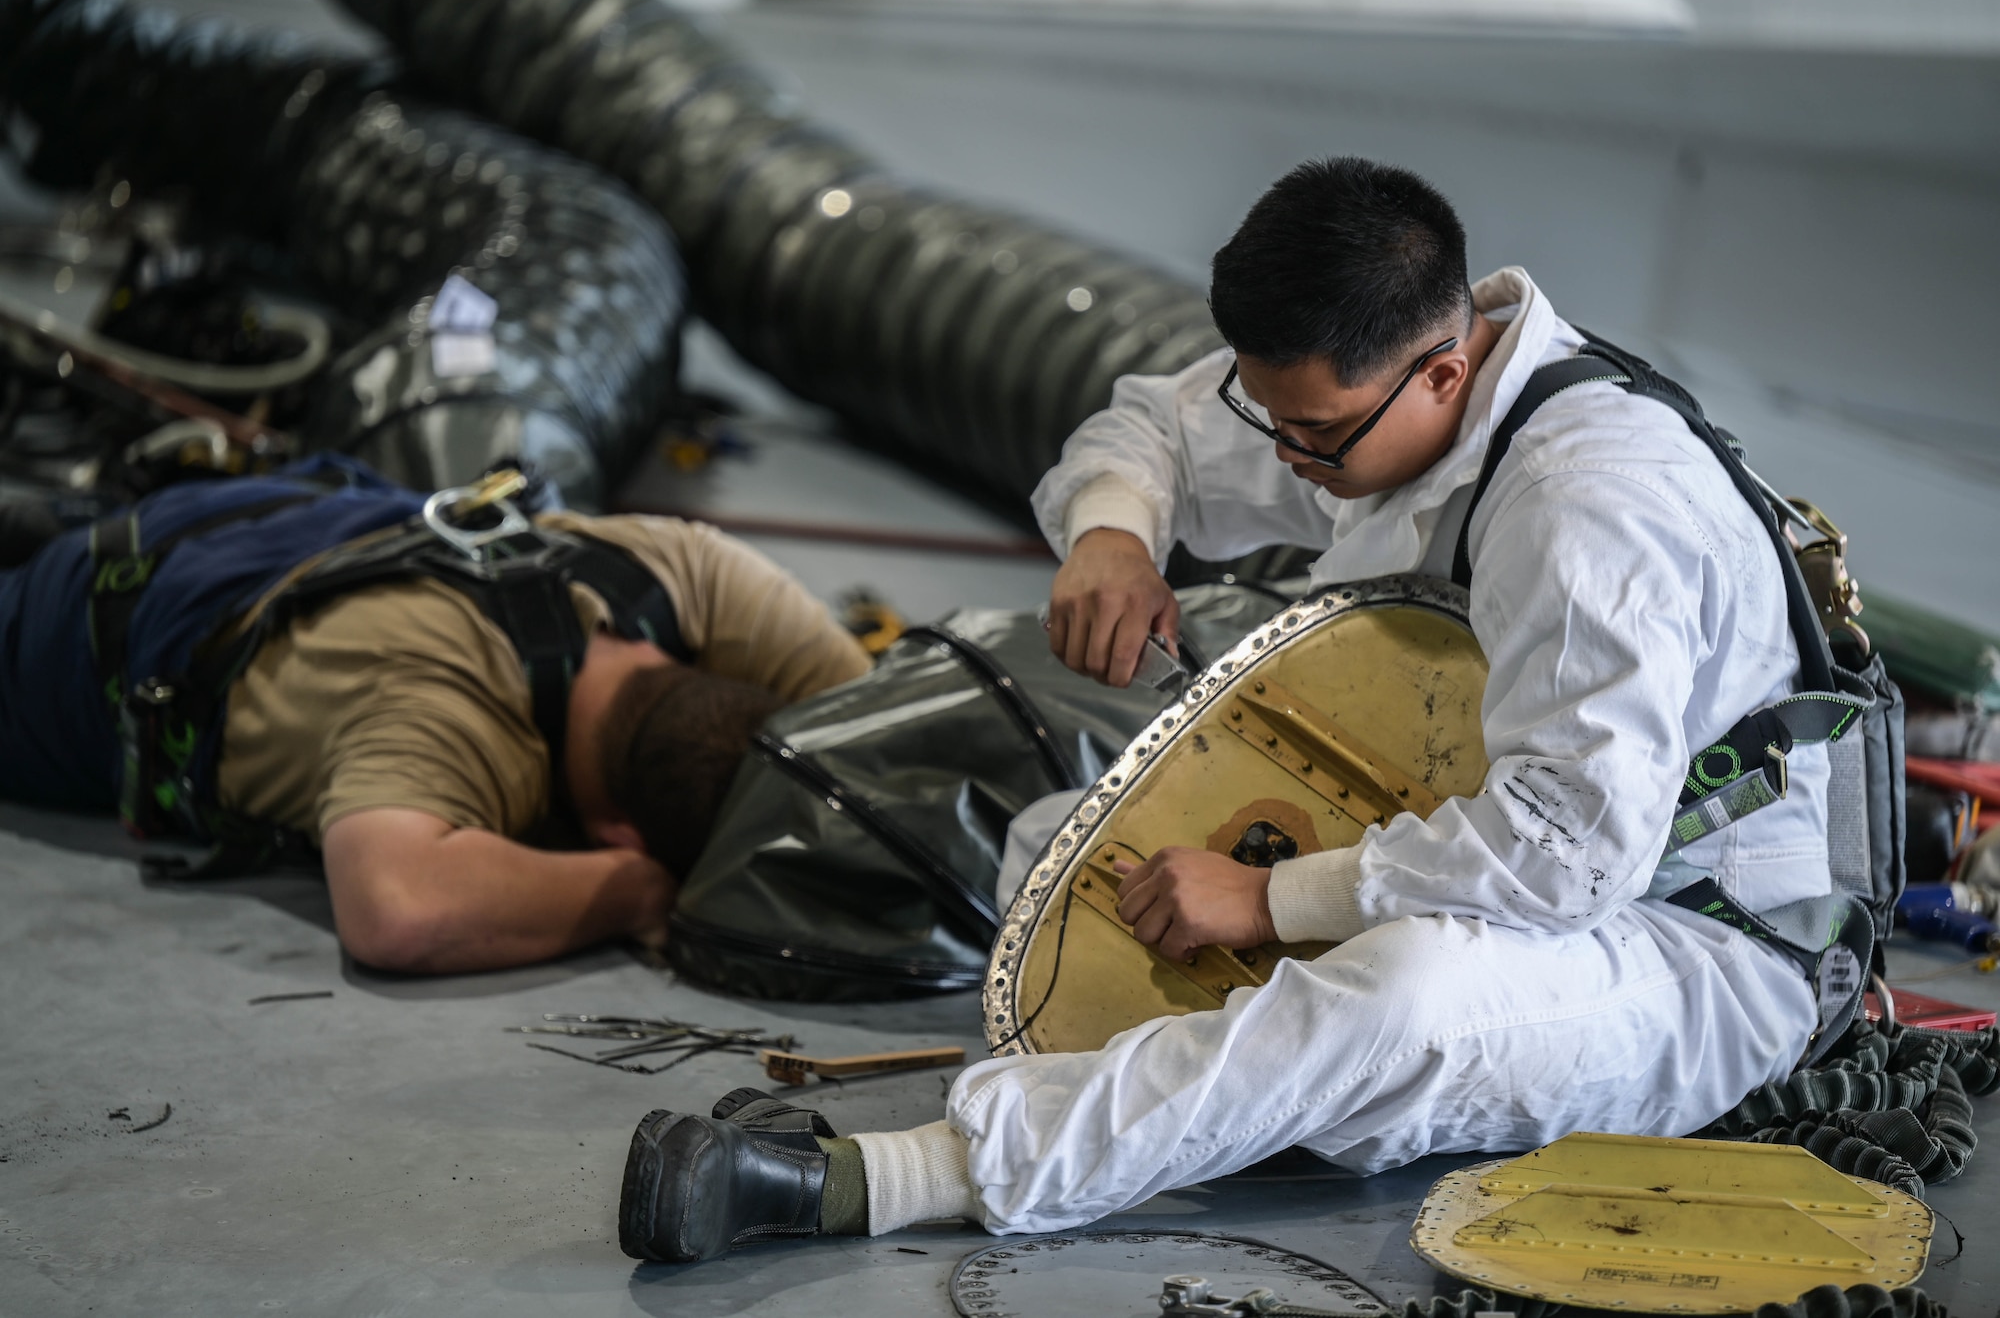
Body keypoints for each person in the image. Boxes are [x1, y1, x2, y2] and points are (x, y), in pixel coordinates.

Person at [613, 156, 1829, 1261]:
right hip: (1493, 846)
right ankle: (1193, 1098)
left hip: (1692, 942)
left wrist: (1269, 894)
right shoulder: (1384, 401)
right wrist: (1109, 535)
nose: (1287, 456)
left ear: (1444, 369)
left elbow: (1569, 847)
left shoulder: (1584, 508)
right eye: (1269, 419)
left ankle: (871, 1178)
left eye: (1312, 434)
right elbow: (1157, 425)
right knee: (1067, 849)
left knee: (1401, 992)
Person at [0, 457, 872, 974]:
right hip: (76, 642)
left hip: (273, 517)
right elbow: (396, 905)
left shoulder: (684, 567)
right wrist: (635, 894)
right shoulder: (451, 710)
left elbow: (887, 718)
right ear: (619, 830)